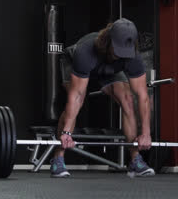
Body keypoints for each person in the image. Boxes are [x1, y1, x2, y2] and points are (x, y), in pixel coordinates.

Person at [50, 18, 155, 178]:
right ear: (108, 41)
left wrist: (146, 133)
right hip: (75, 63)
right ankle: (58, 157)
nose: (121, 55)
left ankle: (135, 160)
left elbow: (142, 96)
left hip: (108, 69)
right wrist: (66, 132)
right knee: (78, 100)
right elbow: (76, 96)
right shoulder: (85, 51)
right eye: (118, 50)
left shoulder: (131, 56)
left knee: (127, 98)